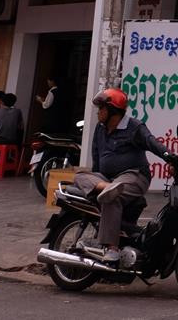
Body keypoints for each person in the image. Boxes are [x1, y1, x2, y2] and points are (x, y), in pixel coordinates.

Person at [73, 88, 171, 264]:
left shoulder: (134, 127)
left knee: (112, 195)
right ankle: (107, 188)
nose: (98, 112)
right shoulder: (100, 129)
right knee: (80, 176)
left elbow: (153, 144)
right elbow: (97, 158)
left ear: (112, 111)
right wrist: (96, 179)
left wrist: (171, 159)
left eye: (101, 108)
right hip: (107, 180)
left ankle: (112, 248)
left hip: (134, 175)